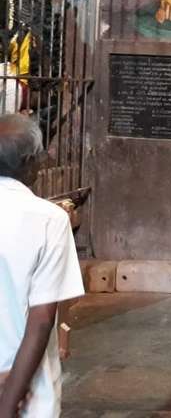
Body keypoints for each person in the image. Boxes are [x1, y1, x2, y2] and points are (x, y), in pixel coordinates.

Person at [0, 114, 84, 417]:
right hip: (26, 389)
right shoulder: (49, 219)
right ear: (31, 162)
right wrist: (9, 403)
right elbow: (42, 320)